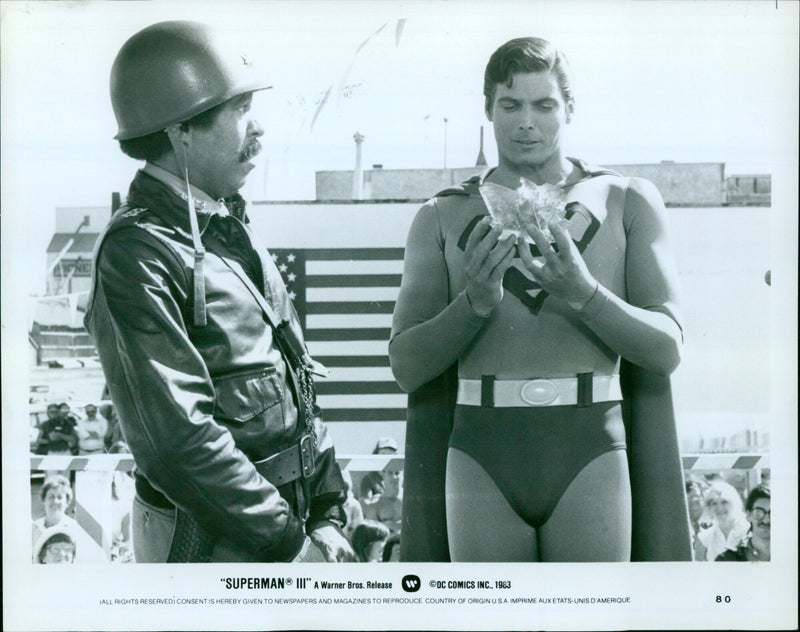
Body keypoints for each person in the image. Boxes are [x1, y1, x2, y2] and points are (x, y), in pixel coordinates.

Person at [391, 37, 690, 562]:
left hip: (590, 444)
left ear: (568, 109)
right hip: (479, 450)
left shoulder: (625, 199)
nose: (526, 121)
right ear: (488, 110)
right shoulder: (441, 215)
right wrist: (474, 304)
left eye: (544, 104)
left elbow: (667, 348)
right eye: (510, 105)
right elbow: (406, 366)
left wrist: (584, 293)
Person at [83, 21, 353, 563]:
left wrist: (327, 514)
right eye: (241, 111)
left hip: (283, 527)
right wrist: (290, 543)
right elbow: (177, 442)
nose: (259, 130)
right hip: (215, 541)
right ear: (182, 130)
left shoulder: (224, 222)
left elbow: (295, 377)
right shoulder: (138, 252)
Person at [696, 480, 750, 562]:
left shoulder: (748, 531)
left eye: (724, 502)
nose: (720, 508)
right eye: (714, 503)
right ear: (709, 508)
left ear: (735, 503)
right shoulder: (704, 538)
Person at [716, 485, 770, 562]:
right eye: (758, 513)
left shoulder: (790, 556)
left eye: (772, 513)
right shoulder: (727, 560)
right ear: (748, 515)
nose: (766, 520)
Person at [31, 475, 80, 555]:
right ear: (44, 500)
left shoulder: (74, 528)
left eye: (60, 497)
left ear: (67, 502)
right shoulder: (33, 528)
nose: (55, 501)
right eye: (51, 497)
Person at [685, 479, 711, 560]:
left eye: (696, 496)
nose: (693, 501)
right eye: (688, 498)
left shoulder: (714, 524)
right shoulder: (680, 527)